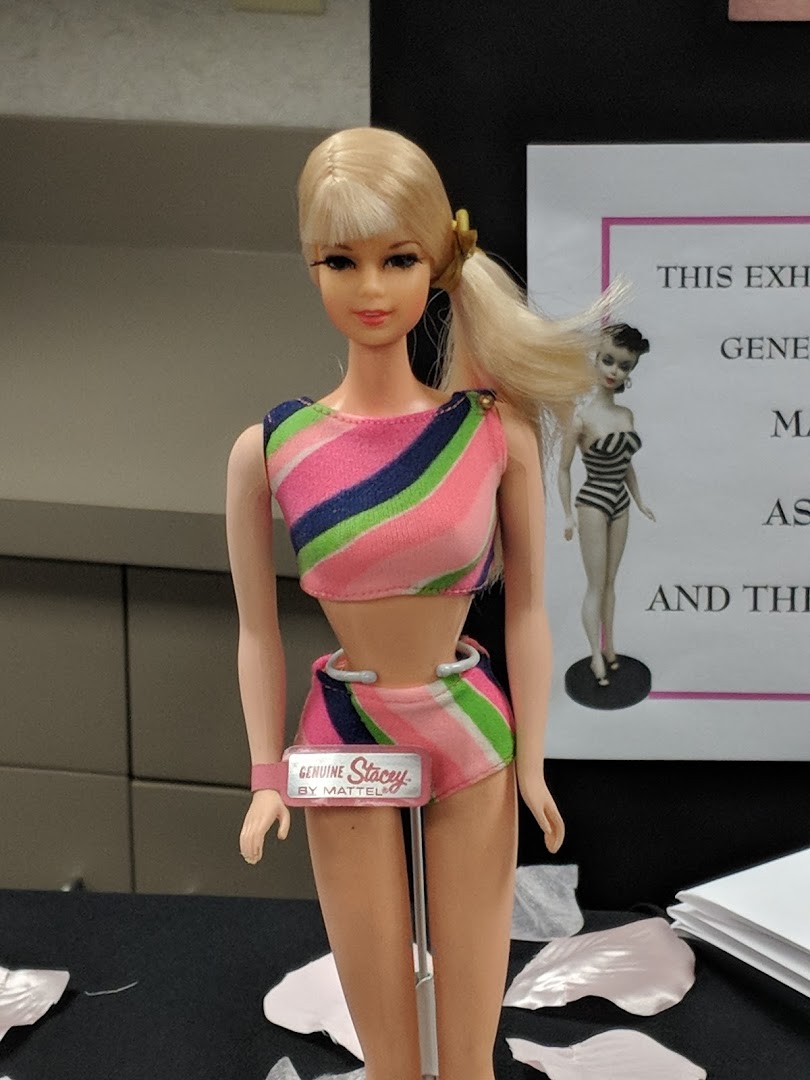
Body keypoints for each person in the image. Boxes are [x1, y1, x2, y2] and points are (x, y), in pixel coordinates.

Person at [226, 126, 602, 1080]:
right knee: (389, 1053)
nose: (371, 288)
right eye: (340, 261)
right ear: (309, 266)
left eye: (397, 259)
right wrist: (266, 774)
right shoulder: (271, 448)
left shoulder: (490, 433)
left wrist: (534, 765)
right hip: (344, 739)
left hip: (467, 728)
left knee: (469, 1053)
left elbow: (527, 611)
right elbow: (256, 631)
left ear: (437, 264)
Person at [558, 323, 654, 689]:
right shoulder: (581, 417)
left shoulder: (626, 416)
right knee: (595, 584)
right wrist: (567, 515)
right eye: (609, 361)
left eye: (624, 366)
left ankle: (610, 646)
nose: (614, 371)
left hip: (620, 502)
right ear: (596, 359)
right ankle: (594, 654)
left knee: (611, 582)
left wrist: (640, 500)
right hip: (593, 501)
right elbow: (564, 468)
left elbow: (626, 465)